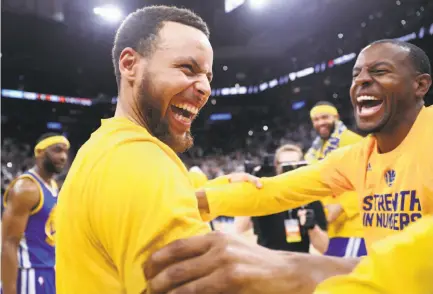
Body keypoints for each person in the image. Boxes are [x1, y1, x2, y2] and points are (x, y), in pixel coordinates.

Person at [146, 39, 433, 293]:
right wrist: (193, 201)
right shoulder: (358, 155)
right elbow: (276, 190)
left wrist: (309, 269)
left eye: (380, 71)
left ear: (420, 85)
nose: (362, 81)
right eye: (356, 74)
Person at [55, 5, 214, 293]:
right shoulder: (143, 160)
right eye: (187, 68)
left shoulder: (99, 148)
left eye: (208, 77)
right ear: (129, 64)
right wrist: (306, 274)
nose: (204, 88)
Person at [145, 216, 433, 294]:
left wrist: (306, 268)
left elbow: (325, 247)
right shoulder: (264, 197)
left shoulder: (312, 203)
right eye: (283, 163)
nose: (287, 167)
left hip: (305, 272)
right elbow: (240, 230)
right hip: (264, 271)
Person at [1, 133, 70, 294]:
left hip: (49, 271)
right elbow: (8, 244)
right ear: (40, 153)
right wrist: (9, 290)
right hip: (29, 273)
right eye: (57, 150)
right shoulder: (26, 189)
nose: (63, 157)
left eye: (66, 151)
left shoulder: (53, 185)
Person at [236, 144, 329, 254]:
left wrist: (313, 227)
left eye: (294, 165)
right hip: (267, 263)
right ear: (276, 166)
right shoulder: (264, 196)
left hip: (299, 264)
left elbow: (324, 248)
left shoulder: (311, 199)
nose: (289, 170)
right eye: (285, 165)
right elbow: (239, 228)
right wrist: (249, 189)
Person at [306, 101, 366, 257]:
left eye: (325, 117)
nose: (320, 123)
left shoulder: (353, 142)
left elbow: (371, 180)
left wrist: (343, 206)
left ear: (336, 117)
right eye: (316, 120)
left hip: (355, 226)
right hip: (332, 228)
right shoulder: (314, 151)